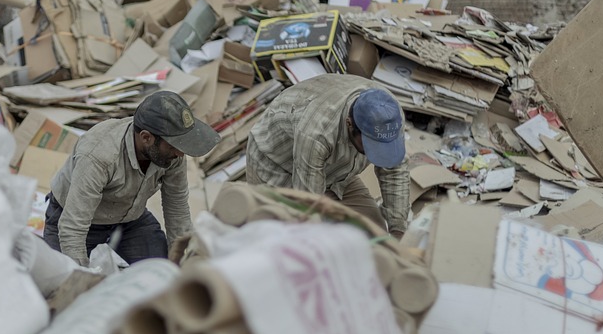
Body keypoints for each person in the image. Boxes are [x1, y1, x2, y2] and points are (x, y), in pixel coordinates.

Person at [45, 91, 220, 266]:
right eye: (174, 146)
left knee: (160, 270)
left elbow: (177, 207)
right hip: (73, 219)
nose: (180, 153)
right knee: (63, 276)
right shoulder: (99, 156)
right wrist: (80, 275)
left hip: (129, 218)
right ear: (146, 137)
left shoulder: (171, 152)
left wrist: (183, 263)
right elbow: (73, 229)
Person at [245, 74, 410, 238]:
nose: (378, 152)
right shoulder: (317, 132)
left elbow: (395, 171)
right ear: (349, 124)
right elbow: (308, 205)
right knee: (289, 238)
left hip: (336, 173)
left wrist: (398, 231)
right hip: (278, 167)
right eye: (371, 145)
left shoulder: (390, 116)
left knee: (377, 236)